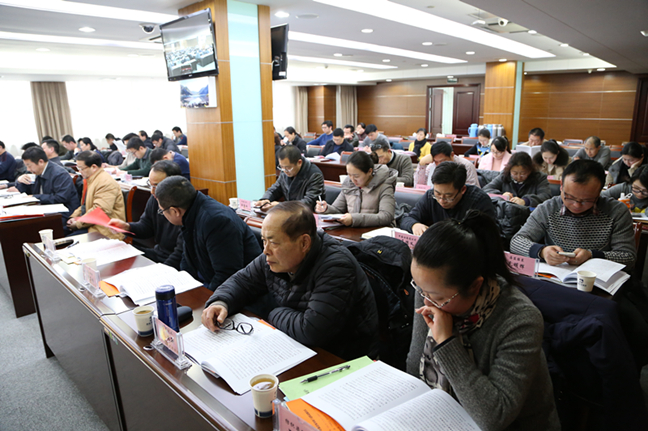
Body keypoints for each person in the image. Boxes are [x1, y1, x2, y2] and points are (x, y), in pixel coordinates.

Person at [408, 211, 560, 430]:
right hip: (446, 416)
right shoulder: (431, 291)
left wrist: (446, 343)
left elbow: (494, 417)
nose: (426, 301)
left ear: (475, 286)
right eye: (420, 289)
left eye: (437, 298)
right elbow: (415, 368)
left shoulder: (520, 319)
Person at [201, 201, 379, 360]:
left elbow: (311, 331)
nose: (266, 250)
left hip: (342, 357)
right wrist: (221, 302)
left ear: (304, 243)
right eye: (264, 241)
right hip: (297, 345)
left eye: (274, 243)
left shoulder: (336, 266)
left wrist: (272, 313)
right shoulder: (273, 257)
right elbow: (242, 281)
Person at [511, 160, 636, 269]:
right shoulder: (548, 208)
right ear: (561, 186)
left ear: (599, 193)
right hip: (555, 276)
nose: (576, 205)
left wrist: (592, 255)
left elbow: (628, 257)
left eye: (587, 200)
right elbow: (517, 242)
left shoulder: (616, 212)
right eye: (569, 197)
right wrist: (541, 251)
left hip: (597, 279)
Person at [155, 176, 262, 291]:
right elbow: (187, 259)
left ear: (175, 211)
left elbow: (227, 276)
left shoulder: (216, 221)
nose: (163, 214)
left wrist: (203, 298)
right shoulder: (191, 212)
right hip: (209, 282)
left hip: (241, 291)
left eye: (162, 211)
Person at [108, 161, 183, 268]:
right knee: (118, 252)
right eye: (150, 185)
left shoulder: (184, 205)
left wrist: (161, 271)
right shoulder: (155, 198)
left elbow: (180, 255)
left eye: (157, 186)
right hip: (158, 253)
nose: (152, 191)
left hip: (175, 262)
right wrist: (127, 227)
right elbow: (146, 227)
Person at [400, 162, 495, 235]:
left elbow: (489, 235)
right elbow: (408, 218)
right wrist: (414, 225)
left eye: (448, 196)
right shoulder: (430, 196)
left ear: (462, 190)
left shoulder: (479, 201)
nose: (441, 200)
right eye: (437, 194)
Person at [315, 151, 396, 227]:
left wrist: (354, 219)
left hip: (377, 231)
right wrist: (326, 209)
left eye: (356, 176)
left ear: (369, 171)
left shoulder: (384, 186)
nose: (352, 179)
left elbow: (386, 216)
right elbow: (338, 209)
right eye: (349, 175)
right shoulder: (349, 184)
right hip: (354, 231)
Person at [7, 147, 79, 220]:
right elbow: (24, 191)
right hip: (44, 208)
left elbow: (61, 197)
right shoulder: (35, 172)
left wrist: (34, 197)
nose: (28, 169)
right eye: (26, 166)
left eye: (29, 165)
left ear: (41, 162)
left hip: (63, 213)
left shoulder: (59, 174)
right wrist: (19, 181)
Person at [67, 151, 126, 239]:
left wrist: (78, 223)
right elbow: (85, 205)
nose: (79, 171)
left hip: (105, 230)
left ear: (94, 167)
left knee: (67, 241)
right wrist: (74, 217)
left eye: (81, 168)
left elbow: (100, 211)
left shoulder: (105, 182)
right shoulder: (91, 179)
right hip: (91, 224)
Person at [255, 145, 324, 211]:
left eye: (288, 167)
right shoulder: (285, 170)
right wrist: (266, 199)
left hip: (306, 214)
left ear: (299, 162)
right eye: (281, 167)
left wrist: (281, 205)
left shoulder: (314, 175)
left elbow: (309, 202)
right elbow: (276, 188)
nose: (285, 171)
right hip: (289, 212)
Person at [483, 152, 551, 207]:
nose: (519, 177)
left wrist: (526, 201)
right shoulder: (505, 175)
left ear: (530, 170)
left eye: (523, 173)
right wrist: (502, 195)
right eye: (515, 173)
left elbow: (546, 196)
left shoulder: (539, 178)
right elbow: (486, 189)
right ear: (509, 170)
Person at [414, 141, 480, 188]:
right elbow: (419, 186)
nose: (439, 165)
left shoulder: (466, 166)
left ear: (452, 155)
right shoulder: (432, 165)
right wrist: (422, 164)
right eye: (436, 161)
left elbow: (474, 190)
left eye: (442, 161)